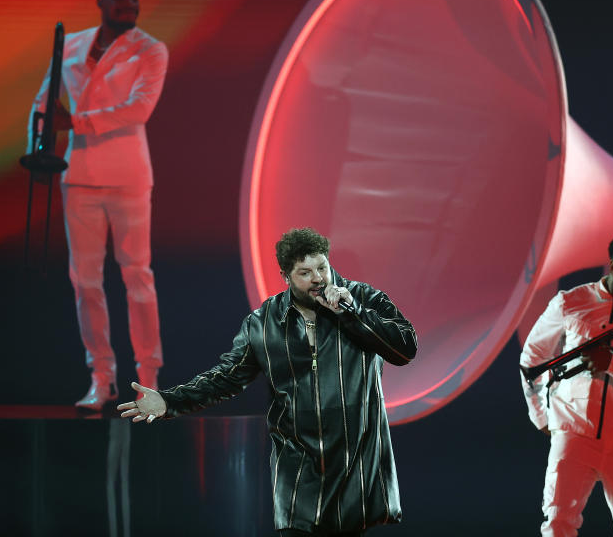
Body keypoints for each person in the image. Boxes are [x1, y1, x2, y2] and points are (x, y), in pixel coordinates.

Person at [118, 227, 418, 536]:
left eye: (322, 267)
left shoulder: (363, 298)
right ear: (286, 276)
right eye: (305, 272)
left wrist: (351, 313)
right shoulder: (263, 323)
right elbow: (226, 379)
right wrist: (169, 401)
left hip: (356, 467)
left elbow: (405, 348)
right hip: (298, 473)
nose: (318, 278)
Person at [30, 0, 168, 409]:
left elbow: (139, 109)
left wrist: (78, 123)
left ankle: (148, 378)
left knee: (137, 277)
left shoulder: (150, 50)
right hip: (81, 176)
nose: (130, 3)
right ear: (101, 2)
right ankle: (102, 377)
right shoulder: (70, 44)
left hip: (128, 176)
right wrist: (37, 150)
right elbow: (42, 104)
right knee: (85, 281)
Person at [520, 232, 613, 537]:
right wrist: (541, 416)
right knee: (557, 526)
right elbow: (532, 359)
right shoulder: (569, 302)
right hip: (574, 434)